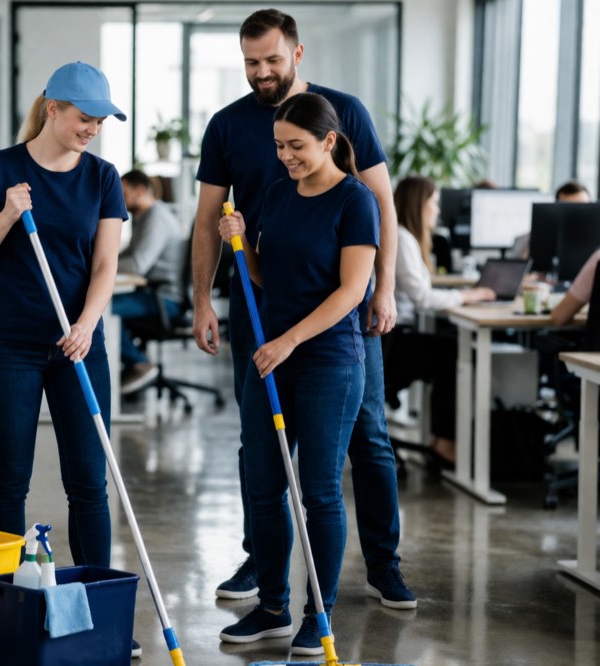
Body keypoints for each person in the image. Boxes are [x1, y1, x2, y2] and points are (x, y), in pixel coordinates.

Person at [191, 8, 415, 612]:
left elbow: (381, 205)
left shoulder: (344, 115)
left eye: (271, 59)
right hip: (264, 308)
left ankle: (383, 565)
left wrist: (384, 288)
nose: (261, 72)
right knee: (259, 446)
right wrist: (202, 298)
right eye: (250, 62)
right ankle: (265, 566)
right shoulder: (229, 126)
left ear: (298, 53)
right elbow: (210, 222)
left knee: (365, 438)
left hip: (341, 312)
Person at [0, 62, 140, 659]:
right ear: (53, 108)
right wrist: (8, 213)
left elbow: (107, 265)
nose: (93, 129)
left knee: (88, 481)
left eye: (101, 121)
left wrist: (87, 325)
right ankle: (7, 614)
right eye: (85, 118)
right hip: (10, 343)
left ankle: (97, 612)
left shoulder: (104, 178)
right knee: (10, 477)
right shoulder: (0, 168)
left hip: (79, 346)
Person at [216, 92, 377, 655]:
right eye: (279, 146)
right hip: (272, 358)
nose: (285, 157)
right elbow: (266, 278)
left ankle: (320, 614)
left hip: (327, 361)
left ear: (329, 141)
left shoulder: (355, 201)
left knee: (320, 494)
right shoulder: (279, 194)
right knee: (263, 486)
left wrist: (288, 340)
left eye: (297, 146)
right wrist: (238, 242)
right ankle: (272, 606)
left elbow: (351, 292)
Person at [387, 176, 496, 468]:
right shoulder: (403, 238)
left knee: (448, 350)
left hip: (397, 336)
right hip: (392, 340)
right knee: (455, 354)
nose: (436, 210)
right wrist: (466, 296)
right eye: (433, 203)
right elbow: (423, 297)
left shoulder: (405, 237)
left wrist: (464, 294)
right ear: (417, 205)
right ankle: (444, 443)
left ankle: (440, 440)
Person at [113, 169, 184, 394]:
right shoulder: (145, 217)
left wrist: (101, 266)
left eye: (124, 194)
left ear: (141, 190)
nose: (120, 200)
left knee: (104, 311)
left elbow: (137, 264)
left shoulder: (156, 217)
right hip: (152, 294)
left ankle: (139, 364)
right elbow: (130, 256)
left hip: (164, 299)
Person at [511, 179, 592, 259]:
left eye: (582, 207)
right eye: (569, 208)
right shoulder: (531, 240)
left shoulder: (599, 244)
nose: (577, 215)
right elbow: (517, 268)